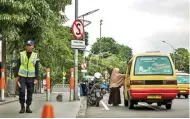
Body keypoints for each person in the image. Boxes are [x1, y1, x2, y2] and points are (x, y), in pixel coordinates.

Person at [15, 40, 39, 113]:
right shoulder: (22, 54)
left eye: (29, 45)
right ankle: (22, 107)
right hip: (22, 76)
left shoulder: (35, 55)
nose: (28, 46)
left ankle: (28, 107)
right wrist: (16, 75)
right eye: (27, 45)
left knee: (30, 92)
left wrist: (36, 78)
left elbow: (36, 67)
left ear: (33, 46)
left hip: (31, 77)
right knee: (22, 91)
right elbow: (18, 65)